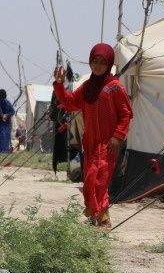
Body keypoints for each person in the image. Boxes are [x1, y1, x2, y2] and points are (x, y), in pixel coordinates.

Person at [52, 43, 133, 228]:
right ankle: (93, 216)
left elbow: (126, 114)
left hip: (108, 144)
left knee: (99, 180)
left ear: (109, 63)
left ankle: (103, 219)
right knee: (89, 180)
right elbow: (71, 103)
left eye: (102, 62)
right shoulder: (87, 87)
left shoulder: (114, 87)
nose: (98, 65)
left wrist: (117, 136)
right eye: (95, 61)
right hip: (89, 143)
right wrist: (59, 85)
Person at [0, 88, 14, 153]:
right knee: (0, 137)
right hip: (0, 124)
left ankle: (2, 151)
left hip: (3, 125)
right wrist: (3, 115)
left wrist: (6, 115)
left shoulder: (5, 102)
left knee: (3, 137)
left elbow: (12, 111)